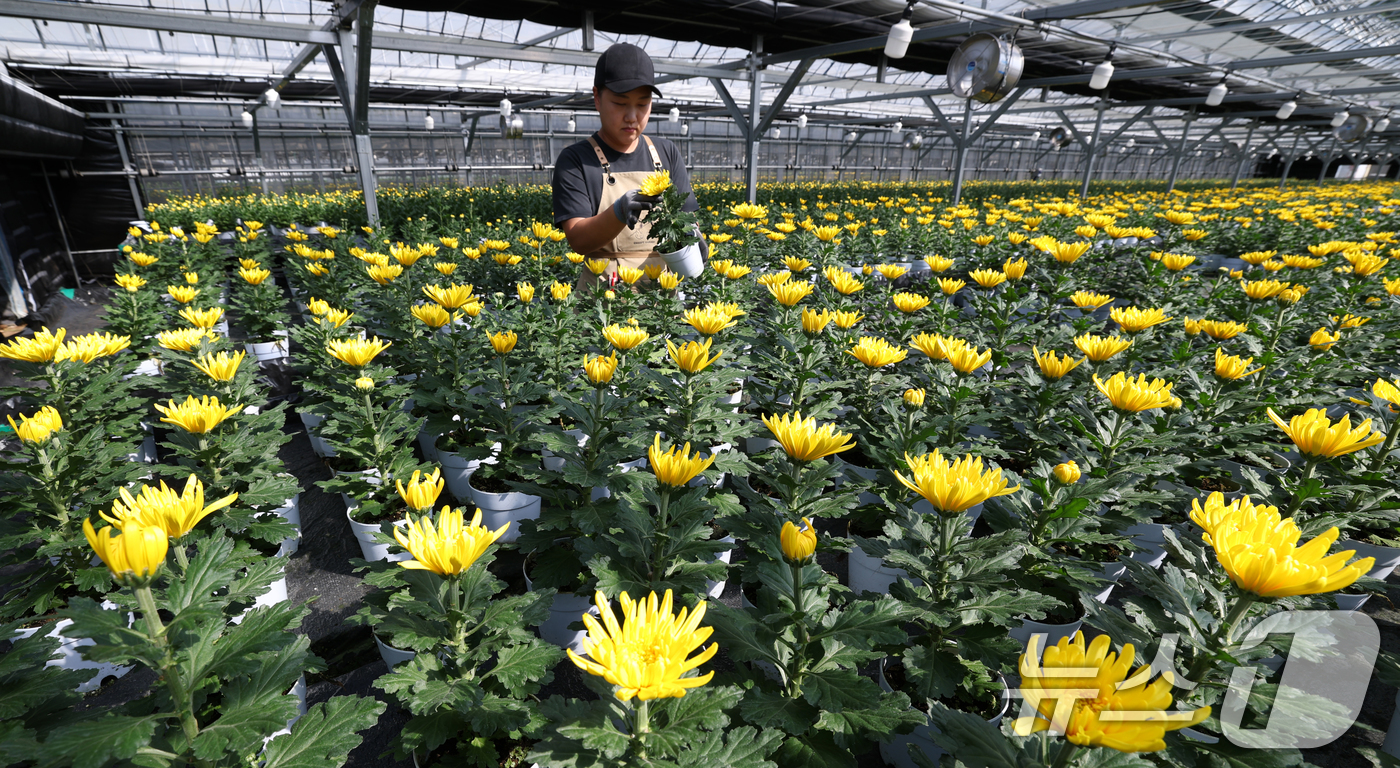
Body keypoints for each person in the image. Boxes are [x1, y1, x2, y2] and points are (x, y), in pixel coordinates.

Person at [552, 42, 705, 291]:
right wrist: (619, 212)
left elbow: (688, 219)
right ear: (597, 99)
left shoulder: (666, 153)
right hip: (603, 305)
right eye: (621, 104)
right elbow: (578, 240)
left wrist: (693, 236)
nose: (632, 116)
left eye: (643, 104)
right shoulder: (576, 160)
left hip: (661, 304)